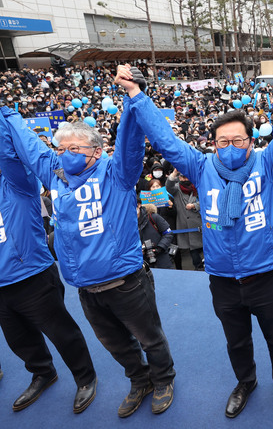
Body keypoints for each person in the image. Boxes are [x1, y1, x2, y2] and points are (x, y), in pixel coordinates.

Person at [124, 51, 273, 419]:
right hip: (223, 278)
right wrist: (135, 96)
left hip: (265, 273)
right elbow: (165, 140)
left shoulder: (269, 164)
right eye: (222, 141)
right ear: (212, 144)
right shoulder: (200, 166)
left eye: (238, 140)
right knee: (236, 340)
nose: (230, 147)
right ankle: (246, 382)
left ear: (251, 142)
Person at [0, 68, 176, 418]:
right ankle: (138, 380)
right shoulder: (57, 174)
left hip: (126, 283)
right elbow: (29, 146)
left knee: (149, 338)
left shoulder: (117, 173)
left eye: (73, 148)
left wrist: (131, 97)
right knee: (114, 344)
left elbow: (128, 140)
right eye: (60, 147)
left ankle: (163, 380)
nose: (64, 153)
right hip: (86, 288)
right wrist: (6, 111)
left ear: (96, 150)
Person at [0, 112, 97, 414]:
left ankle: (85, 377)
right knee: (19, 339)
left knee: (61, 332)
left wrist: (4, 112)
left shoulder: (15, 182)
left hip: (32, 274)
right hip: (2, 286)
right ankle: (43, 372)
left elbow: (7, 152)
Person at [166, 169, 204, 269]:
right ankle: (198, 266)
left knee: (205, 246)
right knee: (192, 248)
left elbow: (207, 201)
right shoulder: (177, 189)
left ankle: (207, 265)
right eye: (182, 177)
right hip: (185, 224)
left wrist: (195, 205)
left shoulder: (198, 186)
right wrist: (174, 173)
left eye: (186, 177)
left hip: (199, 222)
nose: (185, 179)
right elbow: (169, 187)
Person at [137, 201, 175, 269]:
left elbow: (168, 233)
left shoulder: (153, 217)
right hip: (143, 262)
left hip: (162, 259)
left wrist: (159, 248)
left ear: (139, 205)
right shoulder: (128, 223)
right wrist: (138, 249)